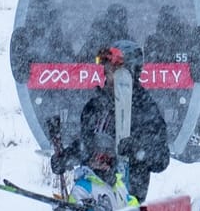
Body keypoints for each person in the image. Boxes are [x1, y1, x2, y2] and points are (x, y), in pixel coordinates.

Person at [51, 39, 169, 202]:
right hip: (91, 192)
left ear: (131, 70)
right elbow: (85, 146)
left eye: (116, 65)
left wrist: (137, 149)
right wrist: (65, 158)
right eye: (106, 63)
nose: (108, 69)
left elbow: (161, 159)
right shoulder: (94, 107)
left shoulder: (146, 110)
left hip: (125, 200)